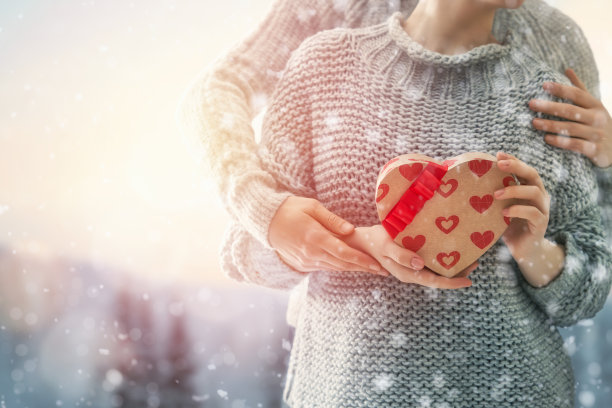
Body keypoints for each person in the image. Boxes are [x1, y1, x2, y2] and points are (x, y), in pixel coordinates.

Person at [204, 0, 612, 405]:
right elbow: (249, 251)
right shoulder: (323, 67)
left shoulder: (552, 100)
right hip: (346, 391)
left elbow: (589, 288)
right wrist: (357, 244)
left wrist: (534, 251)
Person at [175, 0, 612, 294]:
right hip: (347, 337)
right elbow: (219, 86)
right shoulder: (336, 20)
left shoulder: (553, 40)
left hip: (512, 351)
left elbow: (591, 219)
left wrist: (610, 153)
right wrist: (258, 203)